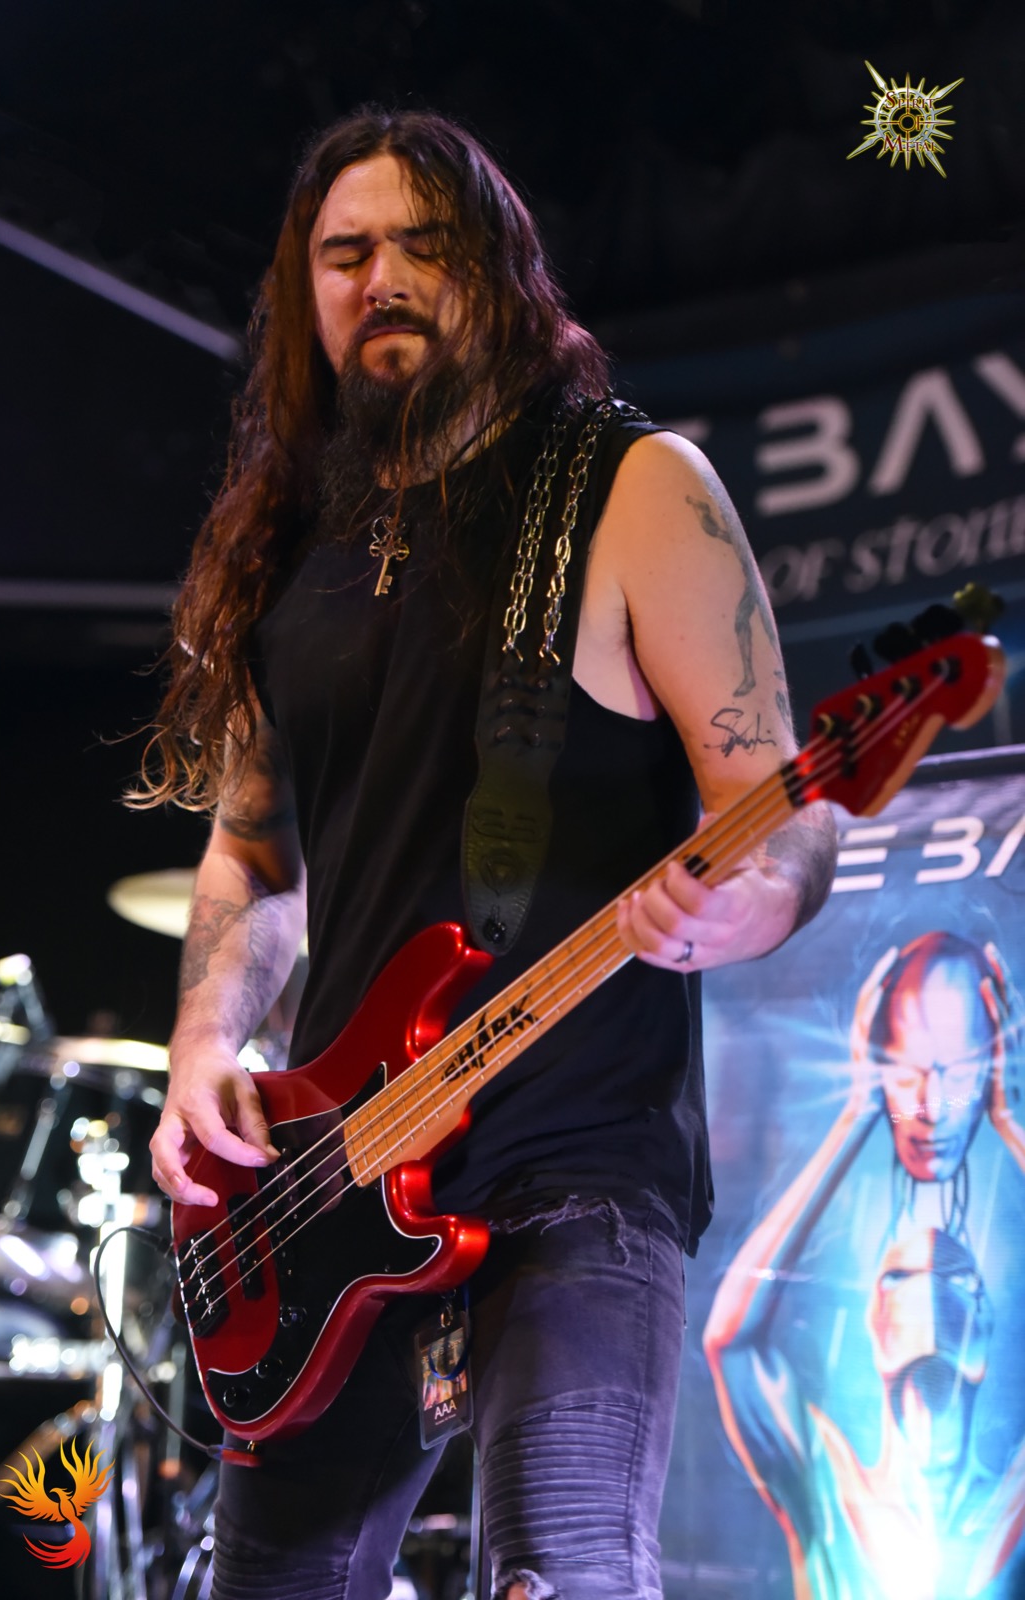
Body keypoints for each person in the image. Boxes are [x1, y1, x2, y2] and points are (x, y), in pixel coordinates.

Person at [141, 107, 837, 1600]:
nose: (382, 278)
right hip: (337, 1176)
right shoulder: (287, 548)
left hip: (573, 1155)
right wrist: (203, 1048)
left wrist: (746, 906)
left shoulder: (630, 488)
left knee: (561, 1571)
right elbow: (252, 860)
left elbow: (780, 807)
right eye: (346, 253)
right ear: (305, 291)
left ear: (499, 275)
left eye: (425, 246)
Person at [703, 932, 1025, 1599]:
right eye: (899, 1277)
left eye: (956, 1277)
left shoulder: (1011, 1506)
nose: (929, 1292)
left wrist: (1011, 1120)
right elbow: (728, 1340)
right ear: (873, 1320)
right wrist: (857, 1113)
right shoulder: (827, 1479)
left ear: (988, 1324)